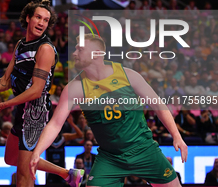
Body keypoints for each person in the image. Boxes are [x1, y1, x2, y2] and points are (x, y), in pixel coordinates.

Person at [29, 34, 188, 187]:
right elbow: (55, 124)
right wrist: (37, 152)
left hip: (143, 149)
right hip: (110, 157)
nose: (75, 53)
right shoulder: (75, 88)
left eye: (80, 49)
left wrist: (176, 136)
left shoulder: (128, 76)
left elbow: (158, 104)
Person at [0, 0, 84, 187]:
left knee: (23, 175)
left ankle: (64, 174)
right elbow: (5, 81)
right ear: (28, 18)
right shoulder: (21, 45)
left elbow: (36, 91)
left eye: (46, 20)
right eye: (38, 17)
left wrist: (1, 105)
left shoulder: (45, 49)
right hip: (22, 109)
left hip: (36, 114)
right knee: (11, 158)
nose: (41, 23)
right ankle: (66, 173)